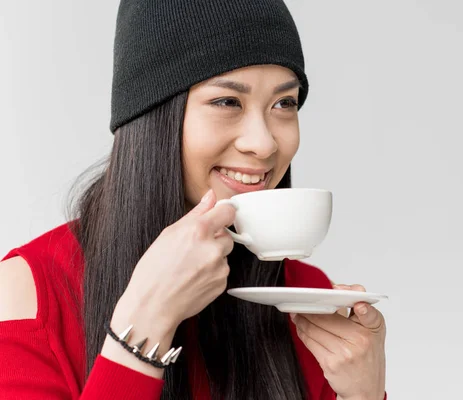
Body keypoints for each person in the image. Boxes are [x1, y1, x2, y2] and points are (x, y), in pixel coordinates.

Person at [0, 0, 387, 399]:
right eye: (227, 102)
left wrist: (365, 394)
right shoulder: (29, 293)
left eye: (284, 104)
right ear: (151, 114)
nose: (265, 142)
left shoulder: (304, 299)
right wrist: (145, 324)